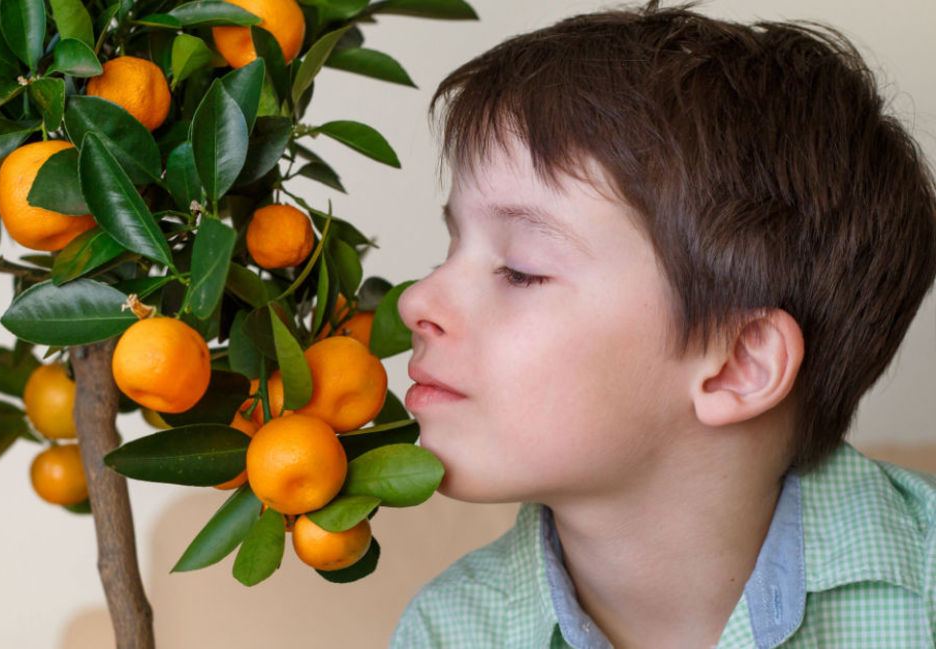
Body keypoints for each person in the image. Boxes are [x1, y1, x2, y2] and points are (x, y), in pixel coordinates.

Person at [390, 2, 936, 647]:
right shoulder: (449, 631)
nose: (415, 300)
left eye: (520, 269)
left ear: (738, 364)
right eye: (452, 247)